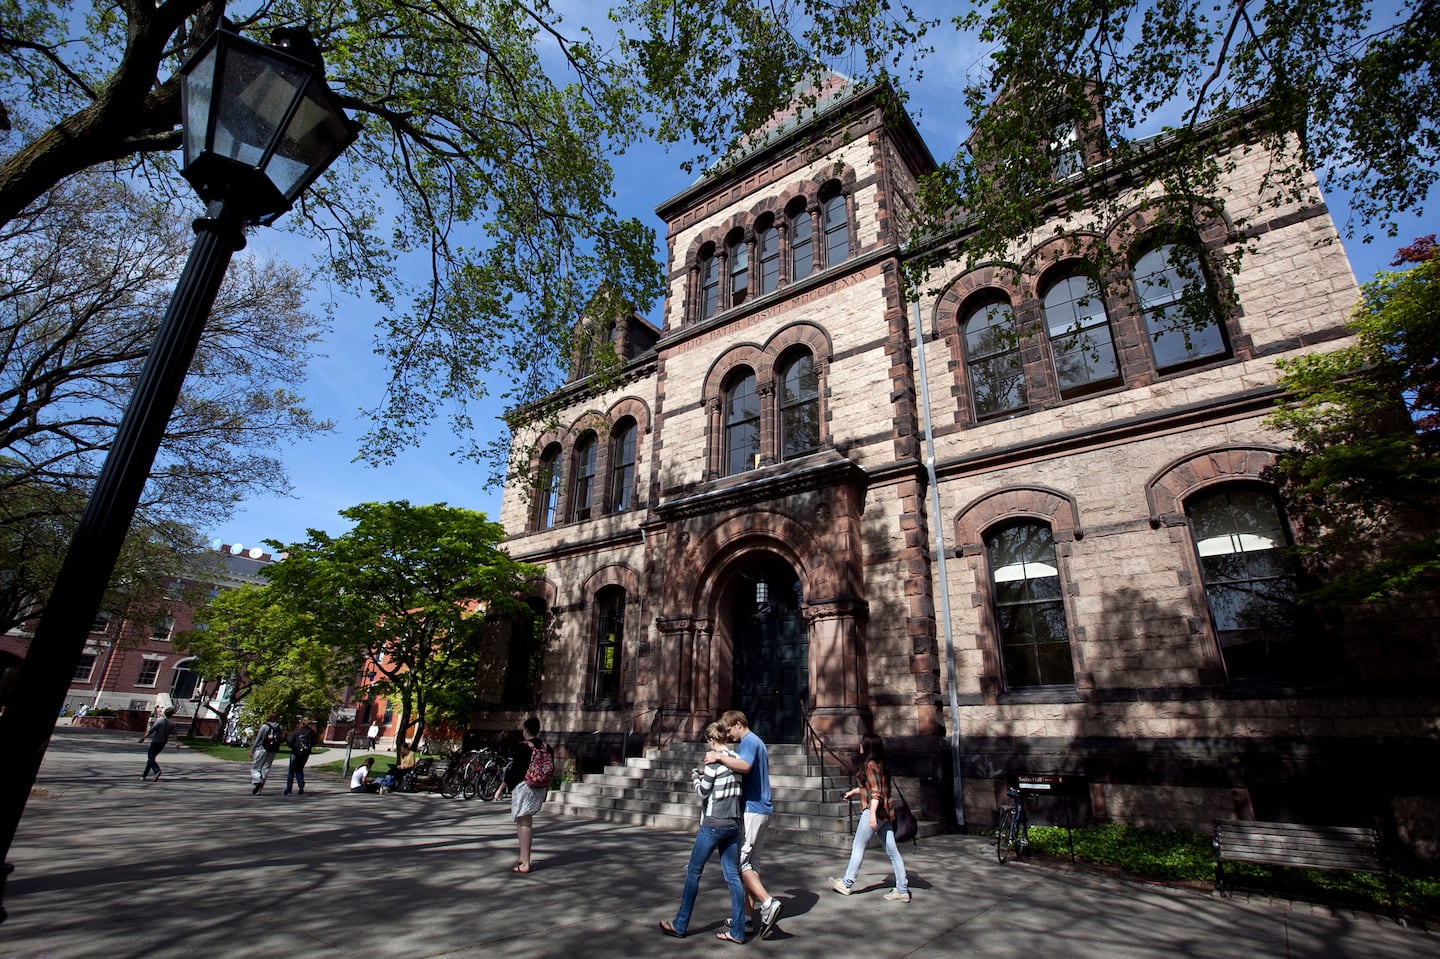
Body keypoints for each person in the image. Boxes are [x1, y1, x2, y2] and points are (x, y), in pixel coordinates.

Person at [660, 721, 747, 943]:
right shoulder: (736, 759)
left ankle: (680, 924)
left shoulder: (712, 762)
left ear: (710, 739)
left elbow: (703, 792)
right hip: (734, 822)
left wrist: (696, 777)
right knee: (733, 876)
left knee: (694, 872)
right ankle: (738, 930)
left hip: (714, 823)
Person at [705, 709, 783, 939]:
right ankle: (746, 918)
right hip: (763, 808)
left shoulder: (748, 741)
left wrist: (719, 757)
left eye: (729, 730)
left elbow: (745, 767)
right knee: (752, 865)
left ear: (739, 724)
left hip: (752, 809)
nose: (728, 736)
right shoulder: (757, 741)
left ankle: (768, 903)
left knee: (740, 863)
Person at [829, 733, 911, 902]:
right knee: (892, 851)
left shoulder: (871, 765)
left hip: (875, 812)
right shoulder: (881, 764)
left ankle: (846, 883)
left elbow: (876, 793)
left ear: (867, 747)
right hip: (886, 813)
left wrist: (872, 815)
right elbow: (874, 787)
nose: (859, 745)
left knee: (858, 845)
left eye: (862, 743)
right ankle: (902, 889)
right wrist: (854, 792)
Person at [502, 716, 552, 873]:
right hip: (539, 787)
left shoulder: (523, 747)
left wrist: (502, 786)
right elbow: (551, 769)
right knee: (523, 821)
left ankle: (525, 862)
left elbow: (515, 770)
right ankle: (523, 858)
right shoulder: (546, 747)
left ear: (526, 730)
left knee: (524, 823)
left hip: (525, 787)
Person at [139, 706, 178, 781]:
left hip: (156, 741)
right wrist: (176, 743)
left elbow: (151, 730)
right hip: (163, 743)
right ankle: (144, 775)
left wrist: (143, 738)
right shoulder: (172, 723)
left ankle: (157, 770)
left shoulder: (160, 721)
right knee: (151, 758)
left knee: (150, 758)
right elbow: (174, 734)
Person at [250, 712, 284, 795]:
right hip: (273, 750)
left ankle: (258, 780)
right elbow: (282, 738)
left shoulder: (265, 726)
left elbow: (258, 739)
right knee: (266, 768)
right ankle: (259, 790)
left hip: (262, 748)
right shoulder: (280, 727)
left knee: (256, 767)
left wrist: (252, 750)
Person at [283, 717, 318, 795]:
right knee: (299, 769)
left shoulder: (297, 731)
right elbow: (315, 741)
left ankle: (289, 789)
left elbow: (290, 742)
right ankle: (300, 783)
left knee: (291, 771)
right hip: (305, 753)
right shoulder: (311, 732)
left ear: (301, 722)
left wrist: (291, 745)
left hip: (295, 752)